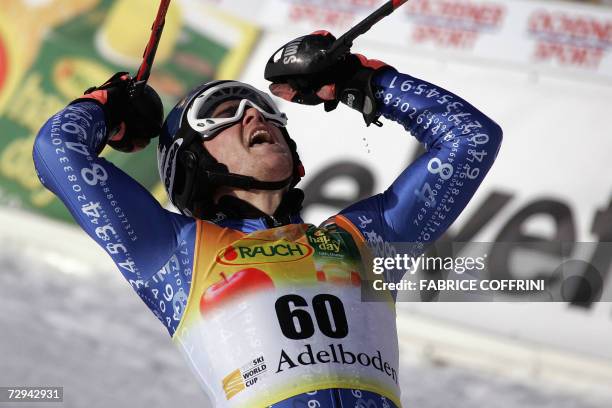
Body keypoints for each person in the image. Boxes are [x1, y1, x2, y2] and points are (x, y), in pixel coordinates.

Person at [33, 31, 502, 408]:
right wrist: (102, 106)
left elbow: (472, 139)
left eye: (265, 110)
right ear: (191, 160)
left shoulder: (364, 241)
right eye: (224, 114)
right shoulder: (174, 252)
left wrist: (363, 83)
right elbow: (56, 154)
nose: (255, 115)